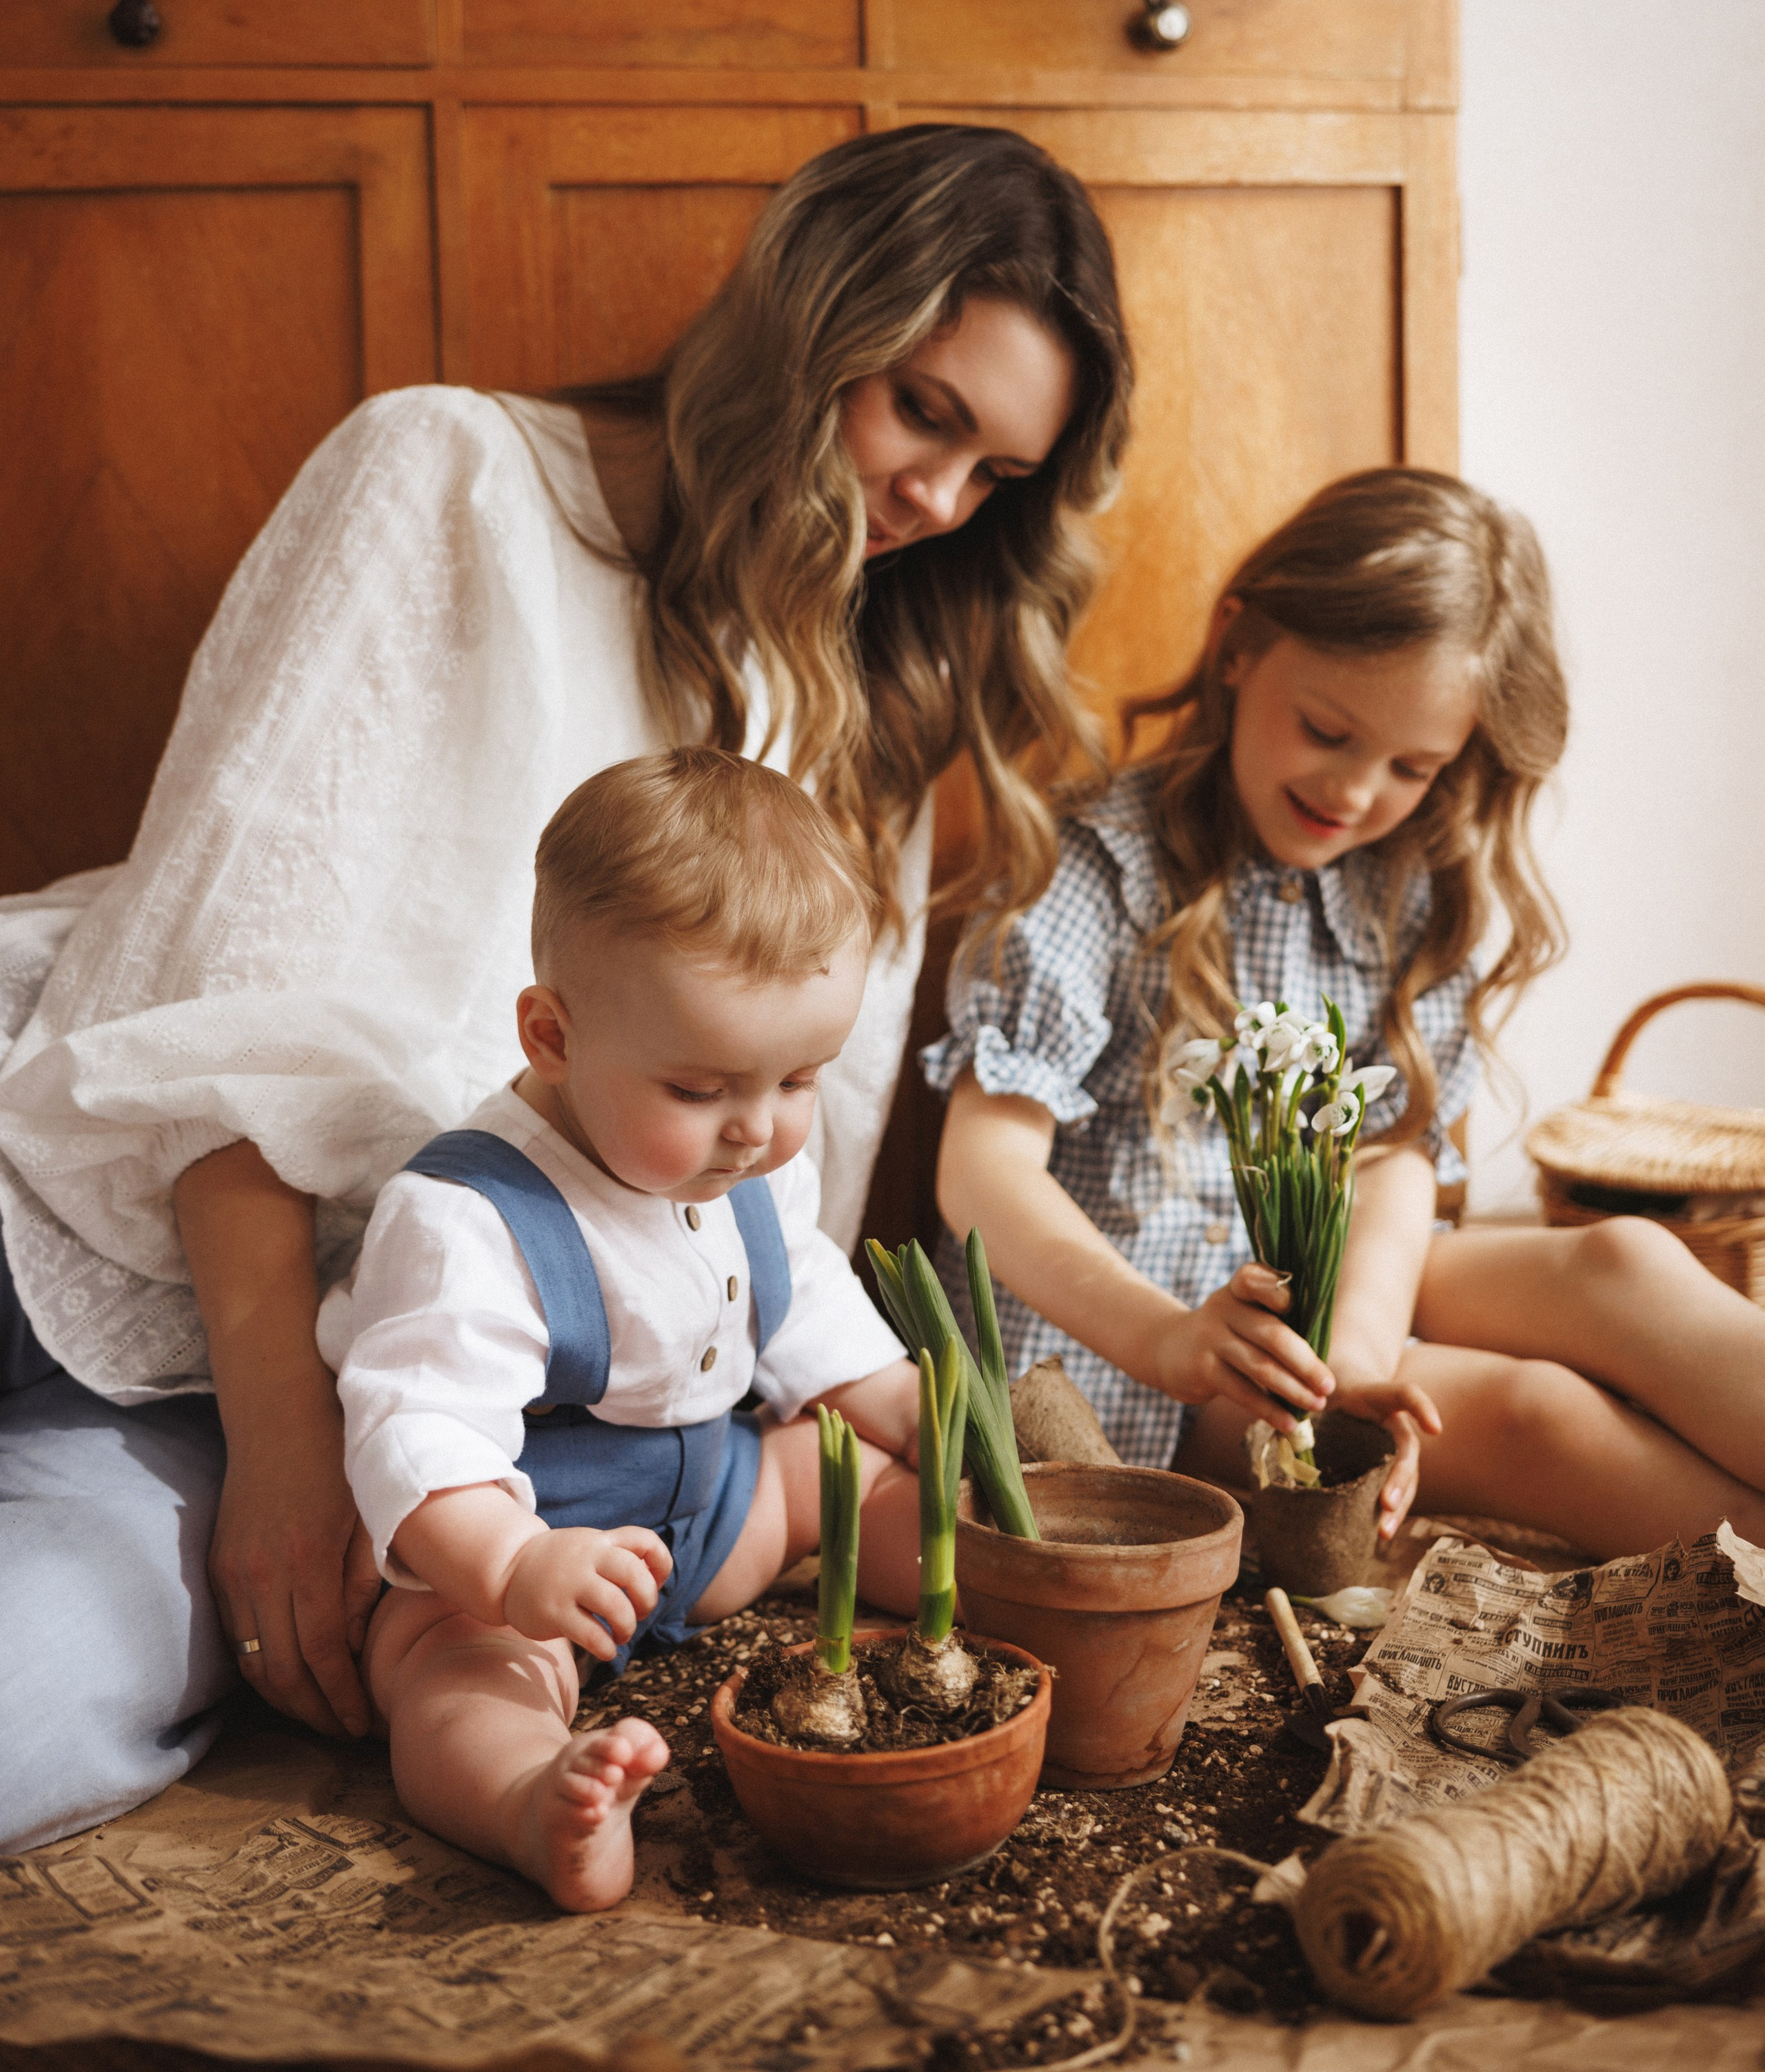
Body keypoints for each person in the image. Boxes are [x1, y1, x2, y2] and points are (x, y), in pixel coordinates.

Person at [0, 122, 1133, 1853]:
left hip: (400, 1381)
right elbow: (218, 998)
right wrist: (288, 1449)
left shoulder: (860, 690)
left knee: (39, 1699)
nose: (937, 501)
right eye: (923, 412)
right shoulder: (443, 471)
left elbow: (772, 1179)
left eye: (996, 477)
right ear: (806, 325)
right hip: (112, 1215)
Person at [927, 467, 1765, 1561]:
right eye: (1327, 729)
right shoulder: (1096, 866)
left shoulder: (1404, 886)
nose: (1358, 792)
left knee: (1629, 1264)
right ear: (1239, 647)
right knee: (1529, 1413)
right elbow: (980, 1174)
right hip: (1153, 1350)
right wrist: (1172, 1337)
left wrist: (1360, 1357)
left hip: (1325, 1299)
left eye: (1415, 766)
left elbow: (1391, 1163)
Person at [326, 752, 921, 1911]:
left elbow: (802, 1291)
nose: (756, 1129)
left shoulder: (746, 1155)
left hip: (721, 1515)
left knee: (872, 1481)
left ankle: (1017, 1577)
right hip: (531, 1565)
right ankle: (528, 1799)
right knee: (449, 1678)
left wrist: (900, 1399)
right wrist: (511, 1562)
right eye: (700, 1090)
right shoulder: (467, 1217)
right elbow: (417, 1430)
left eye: (801, 1076)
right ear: (552, 1036)